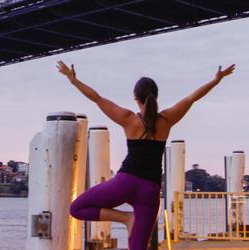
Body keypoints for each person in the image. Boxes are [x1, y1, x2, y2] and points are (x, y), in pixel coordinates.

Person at [56, 61, 235, 249]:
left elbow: (97, 99)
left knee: (76, 208)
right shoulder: (167, 120)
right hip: (149, 191)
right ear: (156, 96)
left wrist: (73, 80)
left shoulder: (128, 119)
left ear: (136, 97)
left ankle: (126, 218)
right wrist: (216, 80)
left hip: (124, 183)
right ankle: (128, 218)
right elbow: (192, 98)